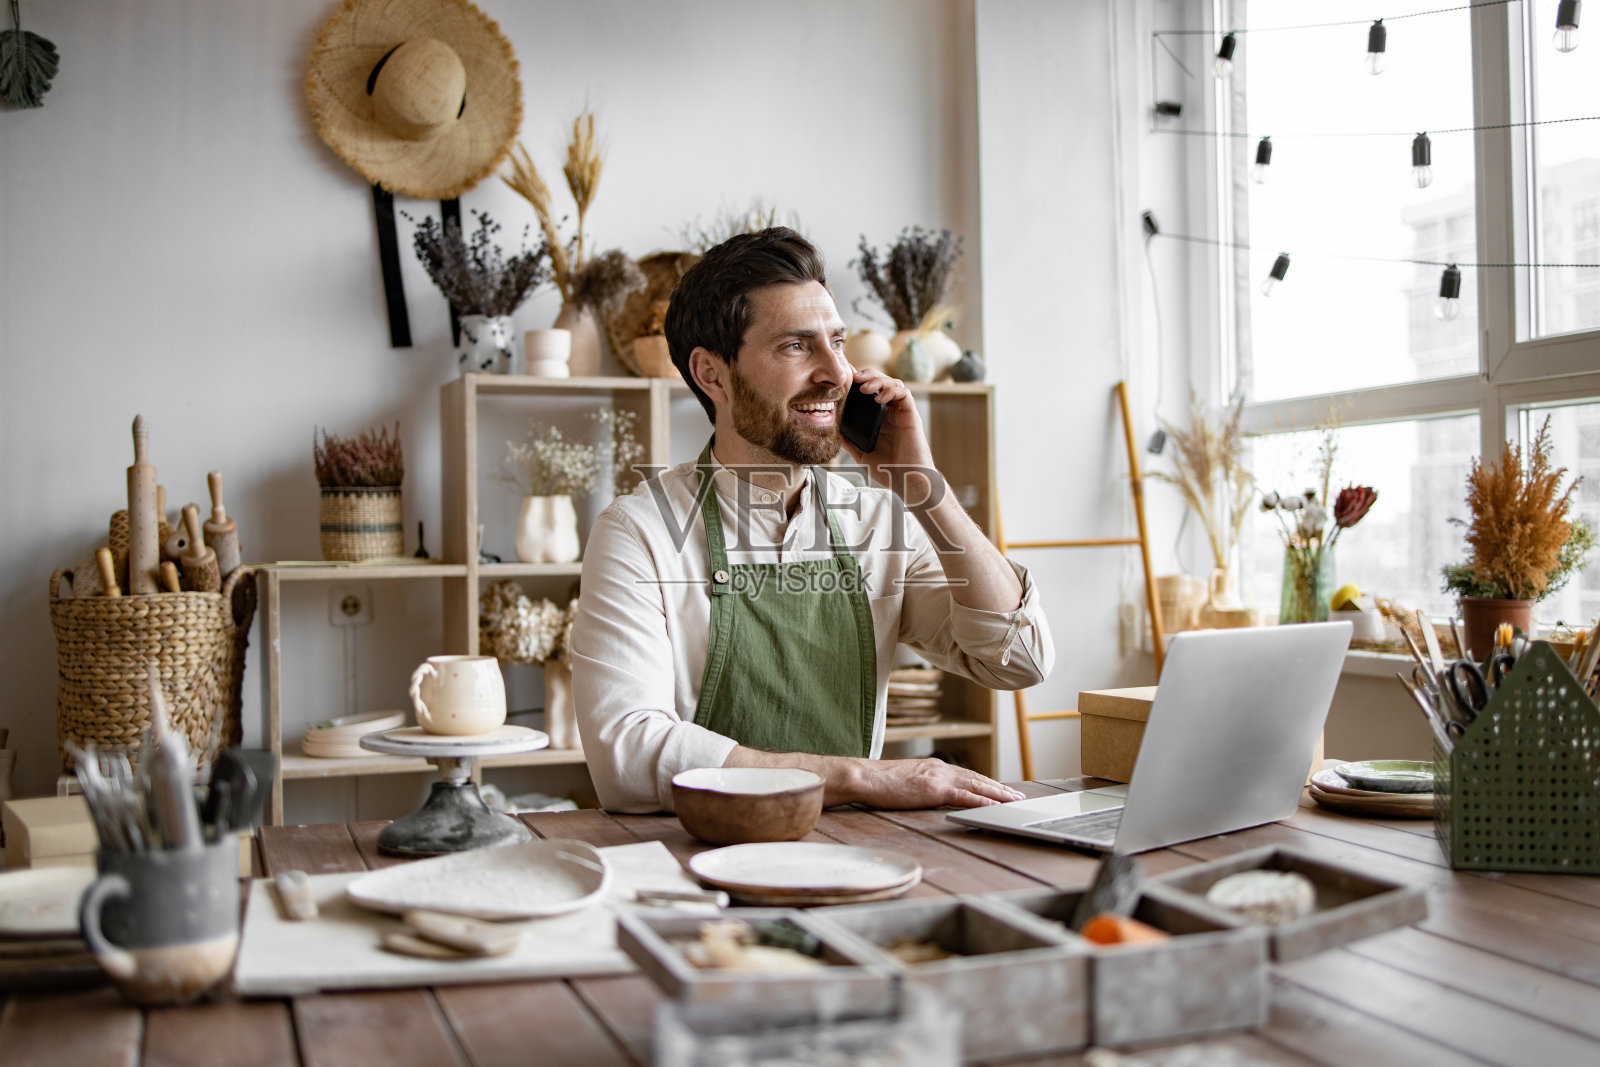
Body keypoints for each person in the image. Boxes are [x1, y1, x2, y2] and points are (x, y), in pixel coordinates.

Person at [570, 227, 1053, 813]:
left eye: (838, 343)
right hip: (697, 863)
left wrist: (926, 490)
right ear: (712, 374)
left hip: (855, 855)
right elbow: (628, 755)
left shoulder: (881, 520)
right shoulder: (639, 532)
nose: (837, 373)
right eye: (797, 346)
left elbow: (1017, 661)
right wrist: (861, 778)